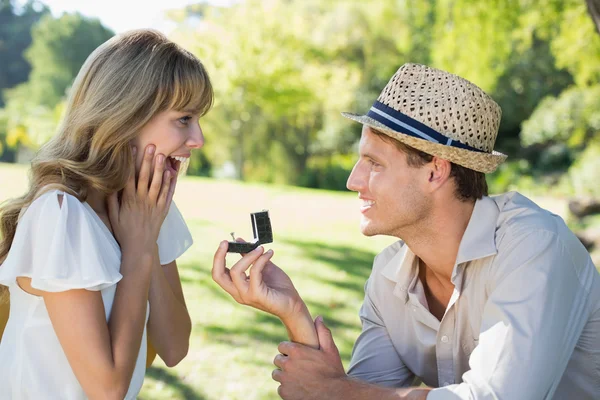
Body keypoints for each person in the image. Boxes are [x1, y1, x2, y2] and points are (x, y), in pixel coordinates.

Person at [212, 63, 600, 399]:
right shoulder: (388, 277)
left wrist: (338, 391)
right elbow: (351, 394)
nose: (353, 180)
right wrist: (294, 312)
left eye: (373, 163)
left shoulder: (533, 248)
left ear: (435, 171)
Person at [0, 29, 212, 399]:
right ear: (126, 117)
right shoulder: (61, 213)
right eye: (184, 119)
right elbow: (107, 390)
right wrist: (140, 249)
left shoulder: (147, 207)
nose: (198, 139)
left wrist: (145, 237)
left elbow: (175, 346)